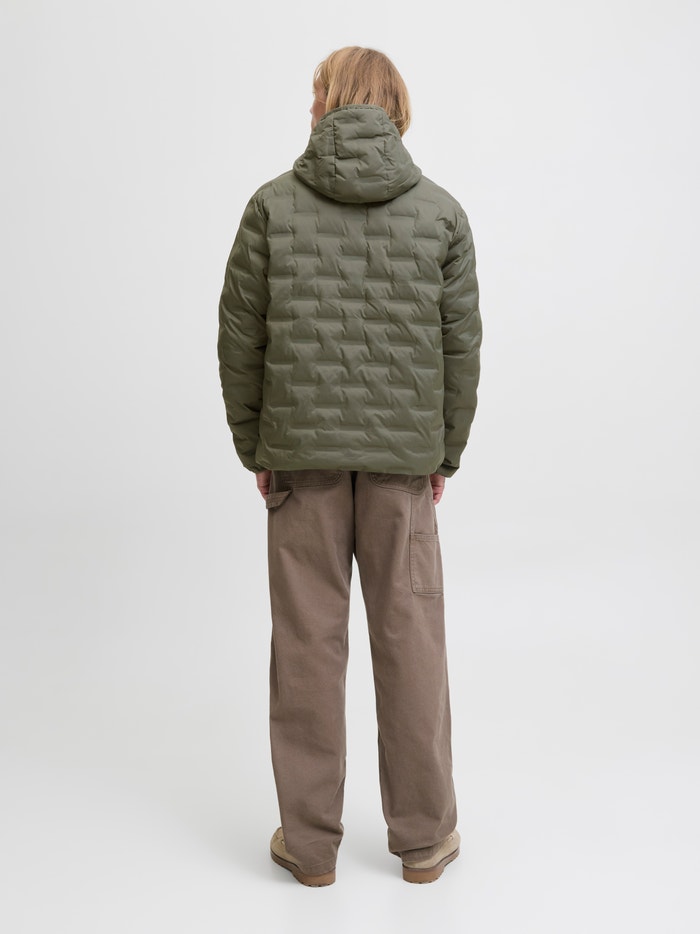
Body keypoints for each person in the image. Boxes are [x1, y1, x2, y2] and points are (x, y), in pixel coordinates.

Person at [217, 46, 482, 886]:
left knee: (307, 647)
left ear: (328, 102)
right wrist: (444, 452)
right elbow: (461, 350)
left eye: (315, 94)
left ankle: (310, 847)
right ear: (395, 107)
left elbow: (239, 341)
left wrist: (257, 445)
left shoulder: (271, 207)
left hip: (301, 461)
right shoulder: (441, 214)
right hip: (403, 467)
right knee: (411, 641)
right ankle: (425, 840)